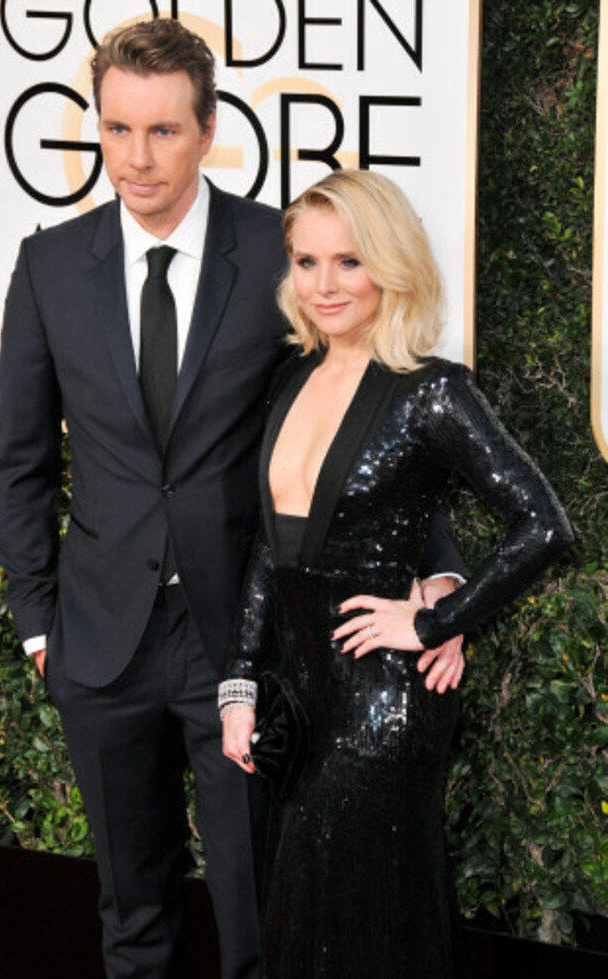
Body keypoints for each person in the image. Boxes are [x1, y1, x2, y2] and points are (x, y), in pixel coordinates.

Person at [0, 20, 465, 979]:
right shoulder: (49, 266)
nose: (136, 158)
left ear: (209, 129)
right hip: (98, 639)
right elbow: (22, 460)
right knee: (132, 911)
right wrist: (40, 623)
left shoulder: (279, 251)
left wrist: (440, 575)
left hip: (242, 640)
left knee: (259, 912)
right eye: (117, 129)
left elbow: (368, 413)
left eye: (163, 131)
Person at [221, 169, 573, 978]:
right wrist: (240, 686)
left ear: (390, 263)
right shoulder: (290, 376)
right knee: (302, 909)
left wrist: (435, 620)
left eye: (349, 261)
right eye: (306, 262)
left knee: (362, 922)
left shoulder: (434, 393)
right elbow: (272, 549)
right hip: (299, 705)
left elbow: (544, 524)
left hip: (384, 704)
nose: (324, 284)